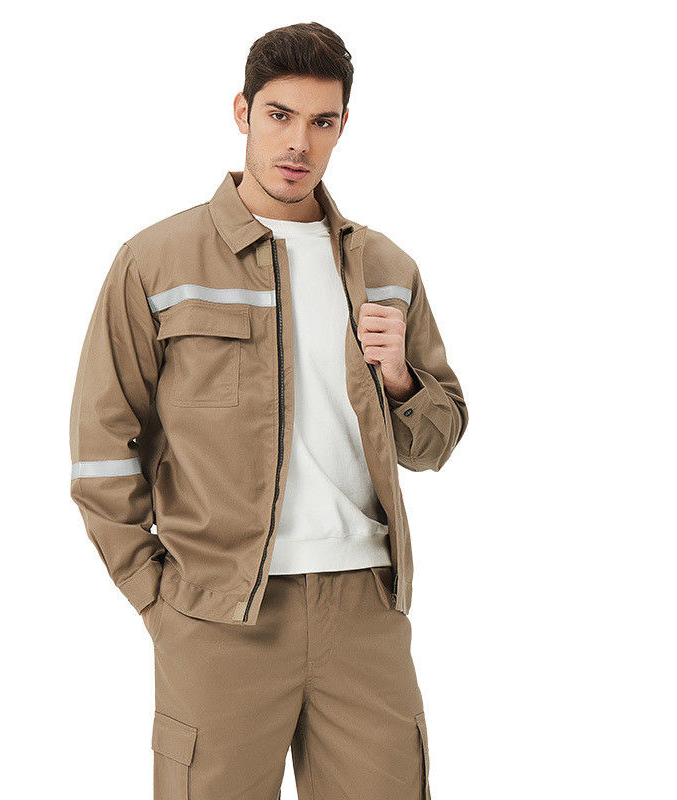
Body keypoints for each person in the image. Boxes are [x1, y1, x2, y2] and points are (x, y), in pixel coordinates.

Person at [69, 21, 468, 800]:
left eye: (322, 121)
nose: (298, 143)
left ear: (343, 126)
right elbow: (102, 445)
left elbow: (436, 441)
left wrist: (399, 382)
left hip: (364, 611)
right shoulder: (157, 260)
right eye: (280, 115)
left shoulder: (386, 267)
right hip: (218, 616)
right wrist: (154, 595)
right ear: (242, 112)